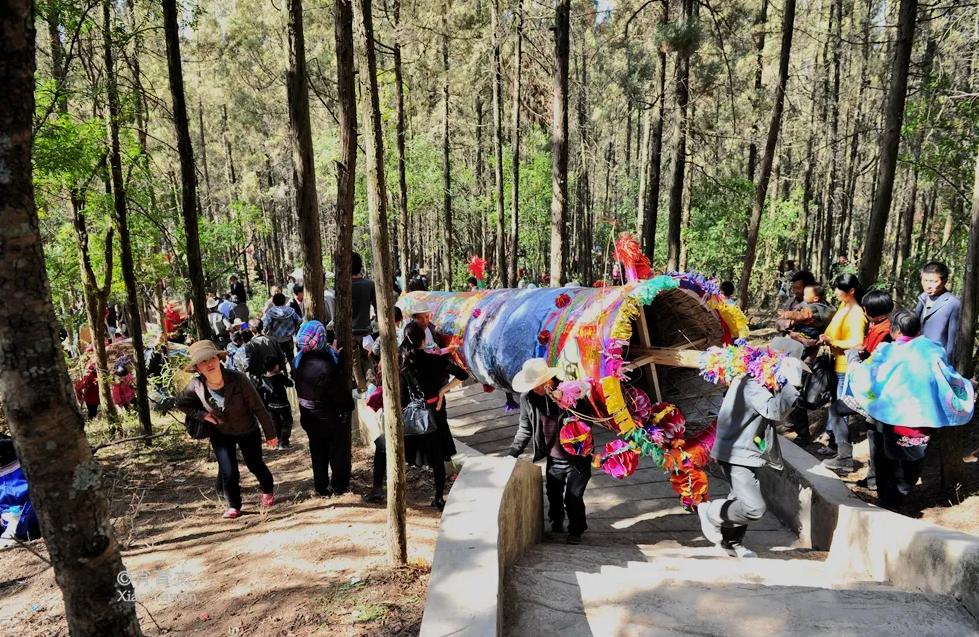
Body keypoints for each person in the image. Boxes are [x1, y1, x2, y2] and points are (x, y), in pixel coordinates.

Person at [844, 309, 974, 508]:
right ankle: (897, 499)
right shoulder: (933, 349)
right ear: (918, 329)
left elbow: (865, 374)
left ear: (895, 331)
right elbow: (947, 376)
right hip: (923, 416)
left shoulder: (886, 351)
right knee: (911, 463)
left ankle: (888, 502)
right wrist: (968, 386)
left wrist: (853, 361)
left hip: (888, 416)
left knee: (885, 461)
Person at [699, 338, 807, 558]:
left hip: (748, 450)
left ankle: (731, 543)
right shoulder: (752, 382)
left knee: (738, 497)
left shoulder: (762, 380)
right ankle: (710, 512)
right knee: (753, 508)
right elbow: (774, 411)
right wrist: (792, 386)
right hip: (737, 452)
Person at [176, 340, 278, 519]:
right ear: (197, 369)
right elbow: (181, 403)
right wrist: (202, 415)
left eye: (211, 358)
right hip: (221, 433)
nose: (209, 364)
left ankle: (268, 490)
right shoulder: (196, 386)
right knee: (228, 471)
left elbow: (259, 408)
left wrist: (270, 434)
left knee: (255, 464)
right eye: (203, 361)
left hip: (247, 429)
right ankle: (234, 505)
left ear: (219, 359)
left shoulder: (238, 379)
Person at [507, 359, 592, 545]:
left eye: (537, 385)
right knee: (553, 495)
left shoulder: (570, 391)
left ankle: (576, 531)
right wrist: (513, 452)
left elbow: (588, 421)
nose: (534, 389)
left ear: (548, 379)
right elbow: (525, 428)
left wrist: (564, 401)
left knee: (573, 497)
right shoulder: (527, 398)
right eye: (531, 386)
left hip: (577, 457)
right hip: (553, 457)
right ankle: (556, 523)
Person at [399, 321, 468, 509]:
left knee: (411, 455)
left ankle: (401, 496)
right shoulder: (434, 360)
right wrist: (442, 391)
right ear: (423, 340)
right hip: (435, 414)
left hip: (415, 416)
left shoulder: (403, 364)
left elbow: (402, 395)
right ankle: (438, 497)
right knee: (438, 459)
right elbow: (462, 374)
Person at [293, 321, 356, 496]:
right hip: (328, 417)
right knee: (337, 452)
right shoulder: (327, 366)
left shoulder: (298, 361)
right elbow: (340, 395)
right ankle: (339, 486)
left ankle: (321, 487)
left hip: (308, 416)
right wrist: (348, 406)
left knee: (317, 451)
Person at [817, 273, 867, 472]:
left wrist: (833, 342)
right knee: (836, 403)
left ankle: (841, 450)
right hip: (837, 363)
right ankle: (833, 442)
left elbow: (857, 343)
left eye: (839, 289)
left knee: (842, 407)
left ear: (851, 291)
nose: (835, 292)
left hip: (847, 366)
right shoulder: (844, 306)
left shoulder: (856, 313)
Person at [913, 262, 961, 360]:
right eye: (925, 280)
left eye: (933, 281)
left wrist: (947, 362)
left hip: (937, 359)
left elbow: (953, 339)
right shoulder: (922, 298)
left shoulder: (953, 303)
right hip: (918, 355)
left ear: (944, 281)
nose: (928, 285)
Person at [351, 252, 377, 385]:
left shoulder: (344, 286)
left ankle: (361, 387)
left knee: (354, 362)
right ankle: (371, 387)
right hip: (366, 330)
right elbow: (377, 305)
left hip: (350, 331)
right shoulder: (369, 284)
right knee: (368, 358)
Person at [258, 357, 294, 449]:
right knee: (287, 423)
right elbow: (290, 383)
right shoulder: (279, 377)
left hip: (270, 405)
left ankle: (278, 442)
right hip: (283, 405)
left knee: (276, 424)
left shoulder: (263, 378)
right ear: (275, 367)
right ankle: (283, 442)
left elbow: (260, 390)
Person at [262, 293, 302, 371]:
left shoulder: (270, 312)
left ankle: (283, 374)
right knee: (291, 356)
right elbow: (299, 321)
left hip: (276, 340)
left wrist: (266, 333)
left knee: (278, 358)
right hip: (288, 338)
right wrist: (294, 329)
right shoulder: (290, 310)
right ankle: (293, 372)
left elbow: (266, 325)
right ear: (284, 301)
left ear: (273, 302)